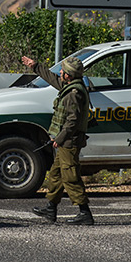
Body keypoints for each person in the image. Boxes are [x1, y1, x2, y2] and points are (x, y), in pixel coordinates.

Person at [21, 54, 94, 225]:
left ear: (68, 75)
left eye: (63, 71)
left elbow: (72, 121)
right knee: (56, 174)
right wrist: (35, 66)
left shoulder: (74, 93)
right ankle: (51, 208)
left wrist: (60, 138)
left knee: (70, 176)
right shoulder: (70, 86)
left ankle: (85, 212)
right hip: (67, 141)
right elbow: (51, 78)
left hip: (70, 141)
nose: (60, 72)